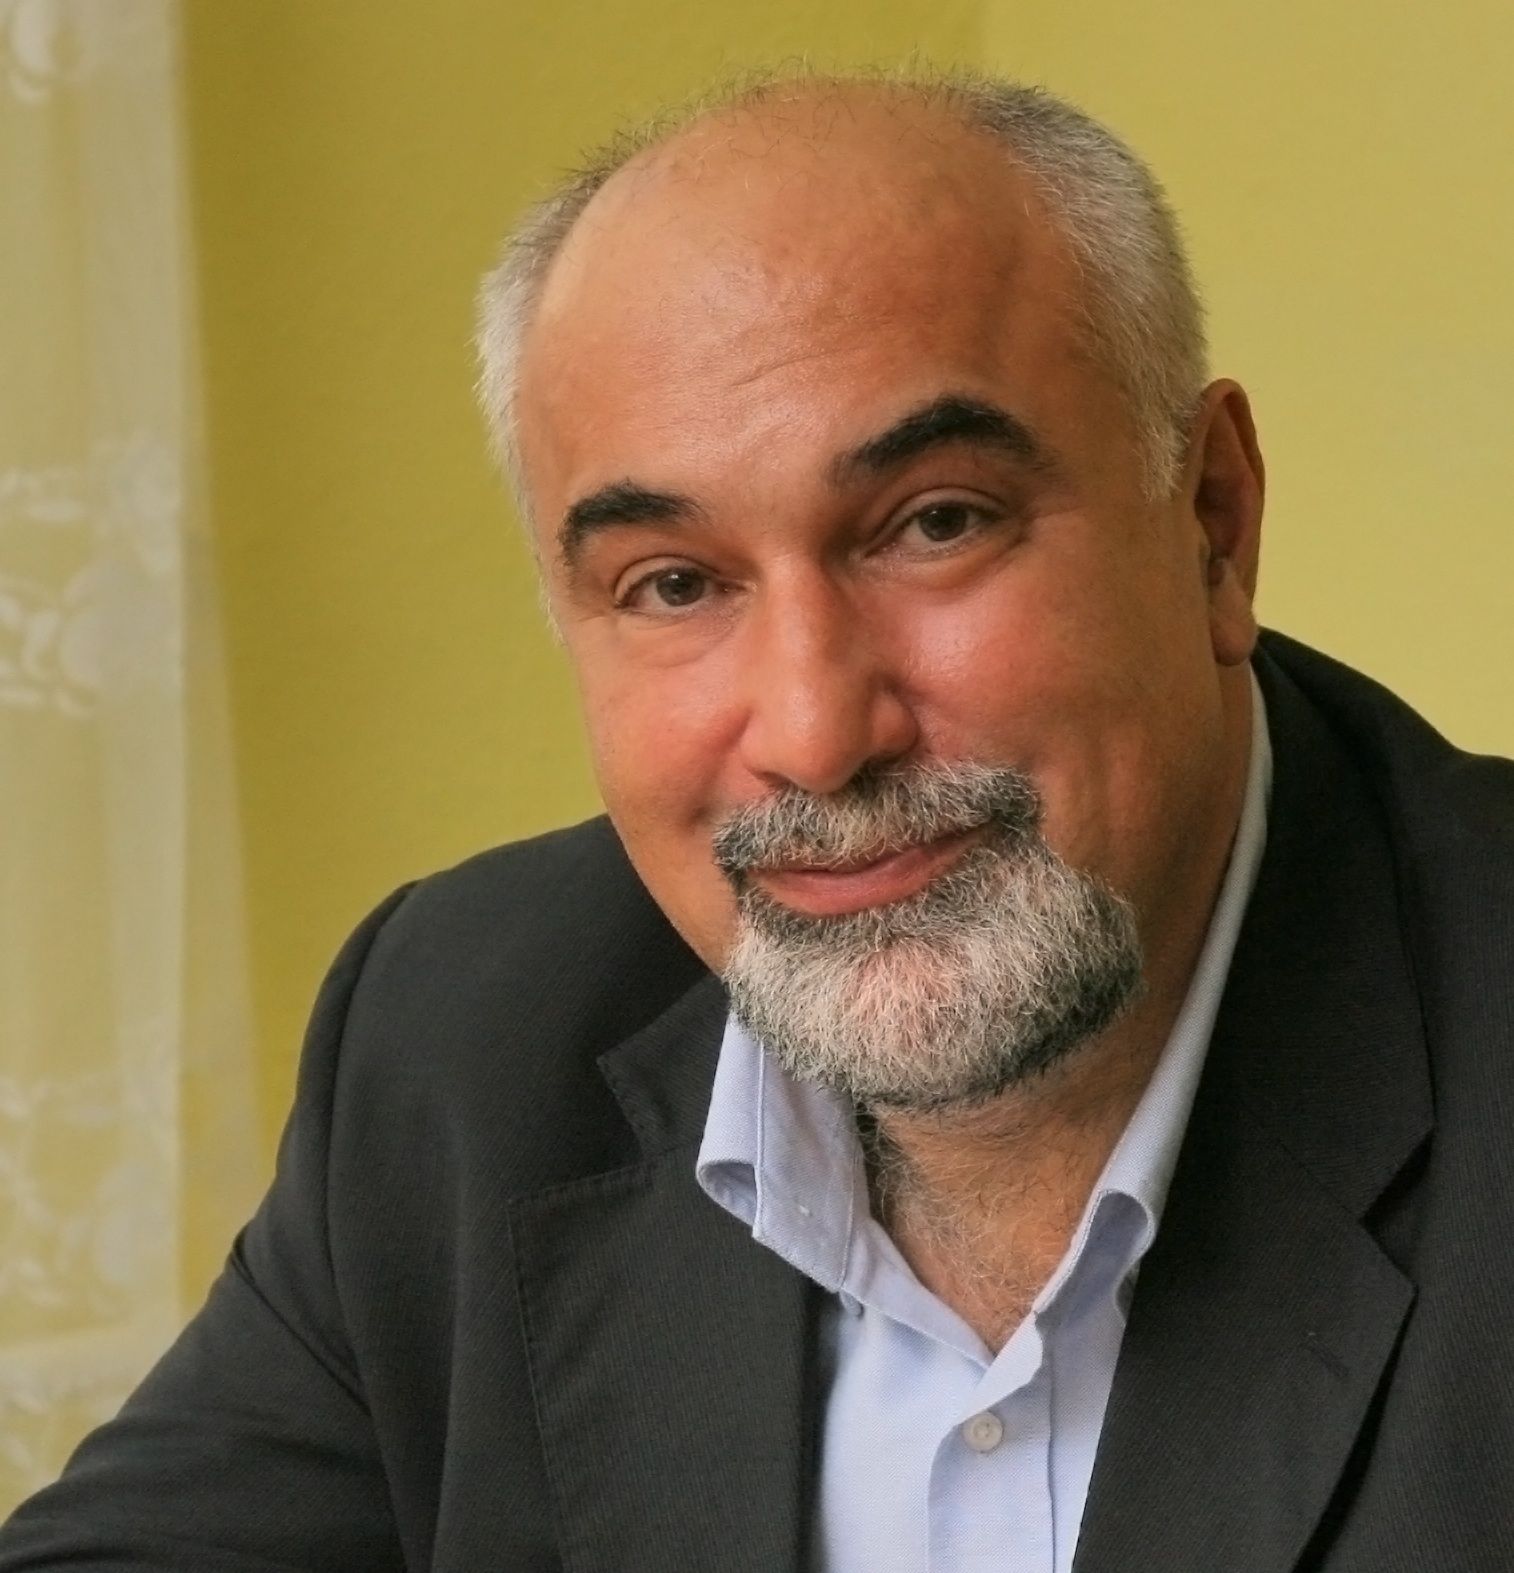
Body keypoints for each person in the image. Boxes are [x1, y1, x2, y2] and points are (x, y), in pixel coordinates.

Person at [2, 68, 1512, 1573]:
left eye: (934, 522)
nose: (813, 733)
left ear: (1212, 521)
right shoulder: (465, 1039)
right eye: (674, 584)